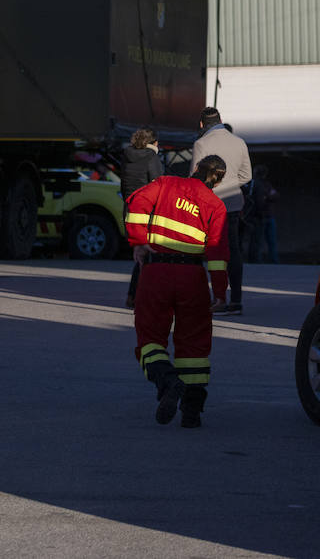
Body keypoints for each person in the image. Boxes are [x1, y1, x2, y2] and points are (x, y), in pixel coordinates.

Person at [126, 154, 229, 428]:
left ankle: (167, 380)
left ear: (195, 169)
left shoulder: (165, 183)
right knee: (194, 343)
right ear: (217, 182)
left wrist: (138, 240)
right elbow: (217, 251)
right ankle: (191, 412)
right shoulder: (216, 205)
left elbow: (136, 202)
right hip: (192, 277)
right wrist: (220, 291)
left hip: (156, 271)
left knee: (149, 335)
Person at [190, 107, 251, 315]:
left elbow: (194, 177)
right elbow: (247, 176)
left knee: (210, 252)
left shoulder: (201, 144)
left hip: (208, 206)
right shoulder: (239, 142)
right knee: (233, 250)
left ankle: (213, 297)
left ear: (201, 124)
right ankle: (236, 300)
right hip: (233, 204)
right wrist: (231, 185)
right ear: (221, 120)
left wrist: (213, 187)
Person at [121, 127, 164, 309]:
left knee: (141, 253)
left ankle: (133, 295)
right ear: (154, 143)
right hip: (147, 211)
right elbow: (157, 185)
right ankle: (138, 296)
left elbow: (123, 186)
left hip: (130, 209)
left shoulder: (127, 157)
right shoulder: (152, 158)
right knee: (148, 255)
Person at [245, 163, 279, 264]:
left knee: (263, 240)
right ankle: (260, 260)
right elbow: (260, 199)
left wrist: (266, 197)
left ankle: (266, 260)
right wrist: (267, 197)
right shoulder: (257, 185)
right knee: (261, 240)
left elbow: (275, 196)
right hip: (261, 216)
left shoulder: (264, 184)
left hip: (264, 216)